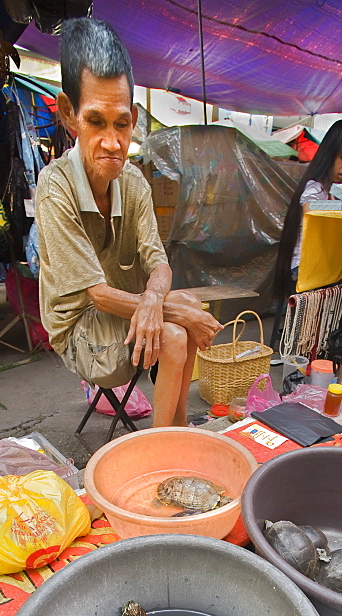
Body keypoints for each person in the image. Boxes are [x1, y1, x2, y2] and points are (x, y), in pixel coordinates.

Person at [35, 18, 221, 427]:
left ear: (134, 119)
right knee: (177, 329)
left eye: (121, 123)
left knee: (186, 306)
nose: (113, 142)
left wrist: (156, 301)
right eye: (96, 121)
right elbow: (98, 295)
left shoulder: (133, 180)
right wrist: (173, 314)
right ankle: (158, 450)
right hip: (80, 330)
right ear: (70, 114)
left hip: (124, 309)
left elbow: (159, 264)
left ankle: (180, 427)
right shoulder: (54, 186)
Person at [273, 120, 342, 338]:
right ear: (329, 155)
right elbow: (311, 210)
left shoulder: (333, 190)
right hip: (303, 268)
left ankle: (327, 333)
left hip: (323, 266)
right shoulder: (314, 188)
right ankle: (326, 335)